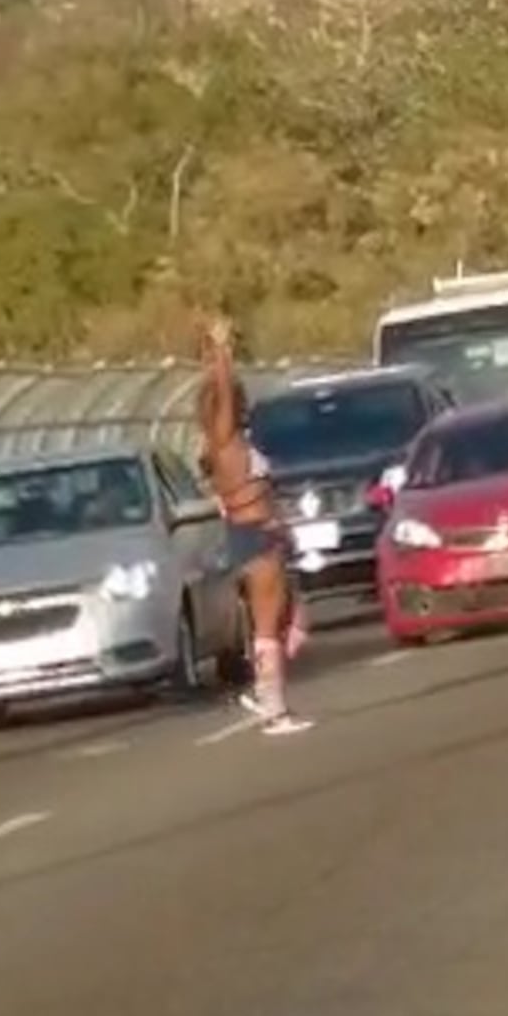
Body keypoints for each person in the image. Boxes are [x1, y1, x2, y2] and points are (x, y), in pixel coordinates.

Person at [197, 315, 312, 737]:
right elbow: (224, 394)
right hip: (253, 536)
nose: (242, 402)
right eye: (235, 399)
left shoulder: (235, 441)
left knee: (293, 621)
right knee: (269, 625)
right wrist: (222, 353)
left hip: (265, 533)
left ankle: (267, 695)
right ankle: (273, 708)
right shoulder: (223, 440)